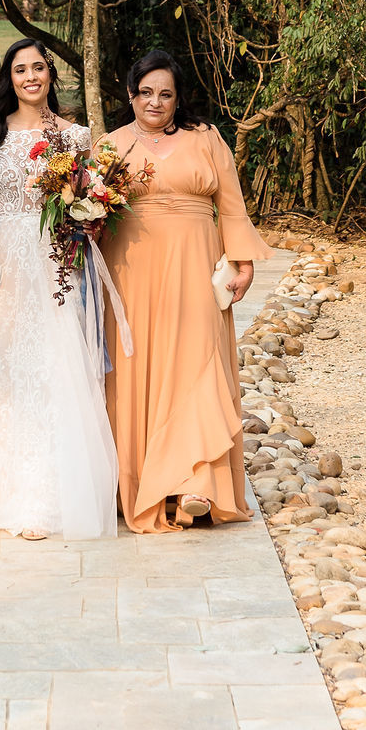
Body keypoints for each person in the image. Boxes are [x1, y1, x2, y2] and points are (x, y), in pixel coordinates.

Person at [0, 38, 119, 541]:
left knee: (55, 366)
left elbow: (88, 199)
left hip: (55, 263)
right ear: (9, 78)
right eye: (20, 69)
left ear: (50, 73)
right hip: (2, 261)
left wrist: (89, 217)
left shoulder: (75, 136)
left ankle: (47, 495)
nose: (30, 77)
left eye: (38, 67)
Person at [100, 48, 273, 534]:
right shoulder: (110, 146)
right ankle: (145, 486)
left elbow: (232, 204)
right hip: (131, 272)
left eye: (165, 94)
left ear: (178, 98)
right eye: (146, 92)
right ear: (130, 95)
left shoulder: (206, 138)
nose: (155, 102)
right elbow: (92, 215)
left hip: (197, 268)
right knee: (139, 372)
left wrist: (242, 261)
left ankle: (201, 483)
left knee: (198, 365)